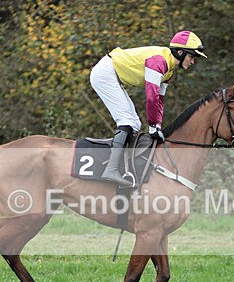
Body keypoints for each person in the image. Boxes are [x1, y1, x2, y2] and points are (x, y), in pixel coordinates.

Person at [89, 30, 207, 186]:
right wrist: (152, 126)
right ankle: (111, 169)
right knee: (127, 121)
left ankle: (123, 167)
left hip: (112, 74)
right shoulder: (159, 62)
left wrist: (156, 126)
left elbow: (159, 100)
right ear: (180, 52)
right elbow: (151, 97)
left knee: (135, 124)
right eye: (192, 57)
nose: (192, 62)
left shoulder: (169, 71)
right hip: (105, 73)